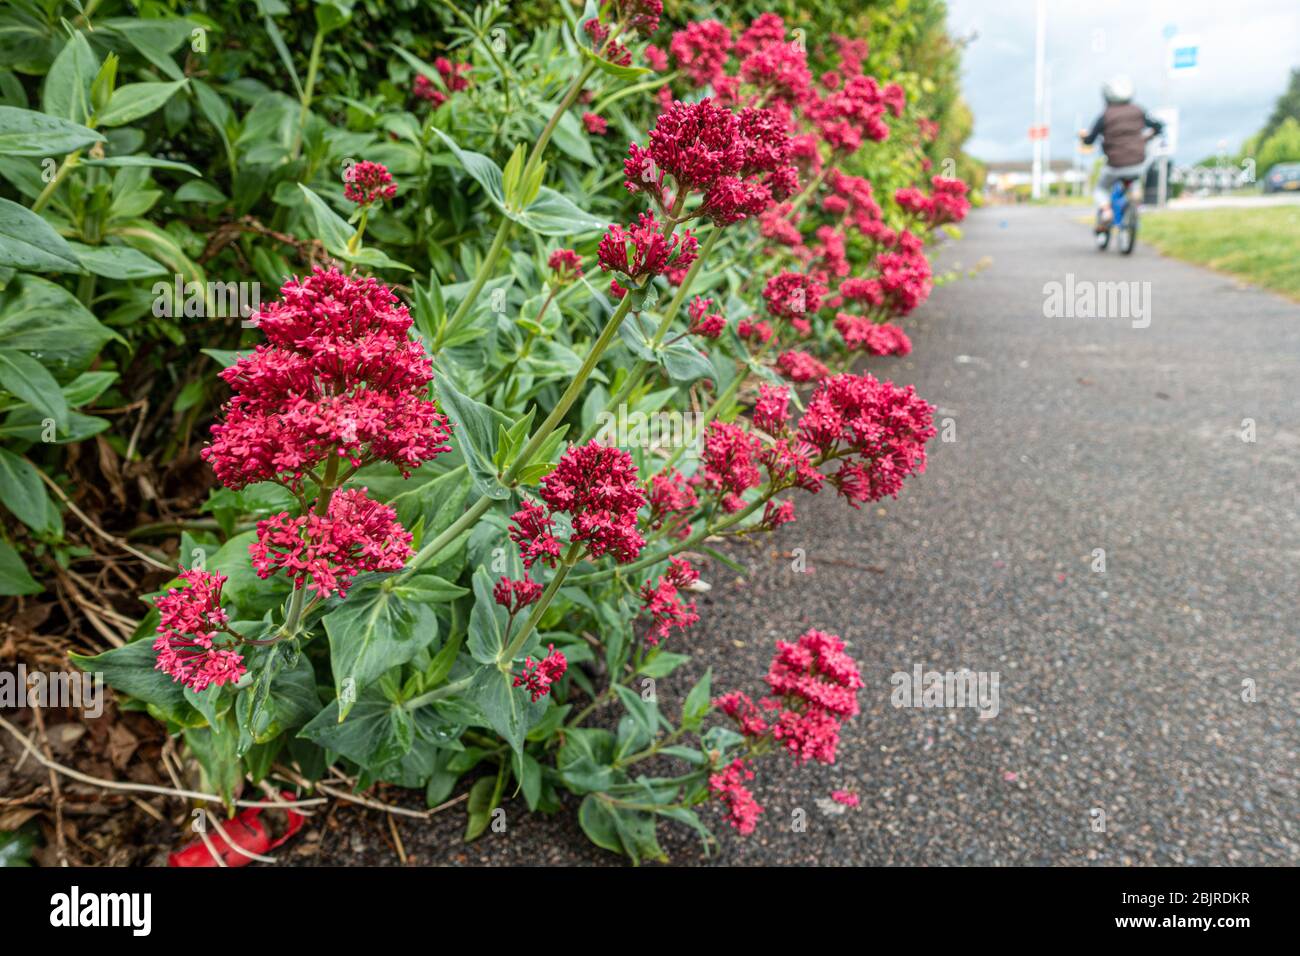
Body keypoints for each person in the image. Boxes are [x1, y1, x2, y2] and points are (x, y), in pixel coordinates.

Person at [1079, 76, 1164, 230]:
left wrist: (1085, 138)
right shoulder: (1139, 111)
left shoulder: (1105, 115)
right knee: (1135, 176)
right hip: (1138, 162)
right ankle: (1135, 195)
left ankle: (1106, 211)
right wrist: (1147, 136)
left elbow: (1090, 139)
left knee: (1101, 188)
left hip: (1115, 164)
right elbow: (1158, 126)